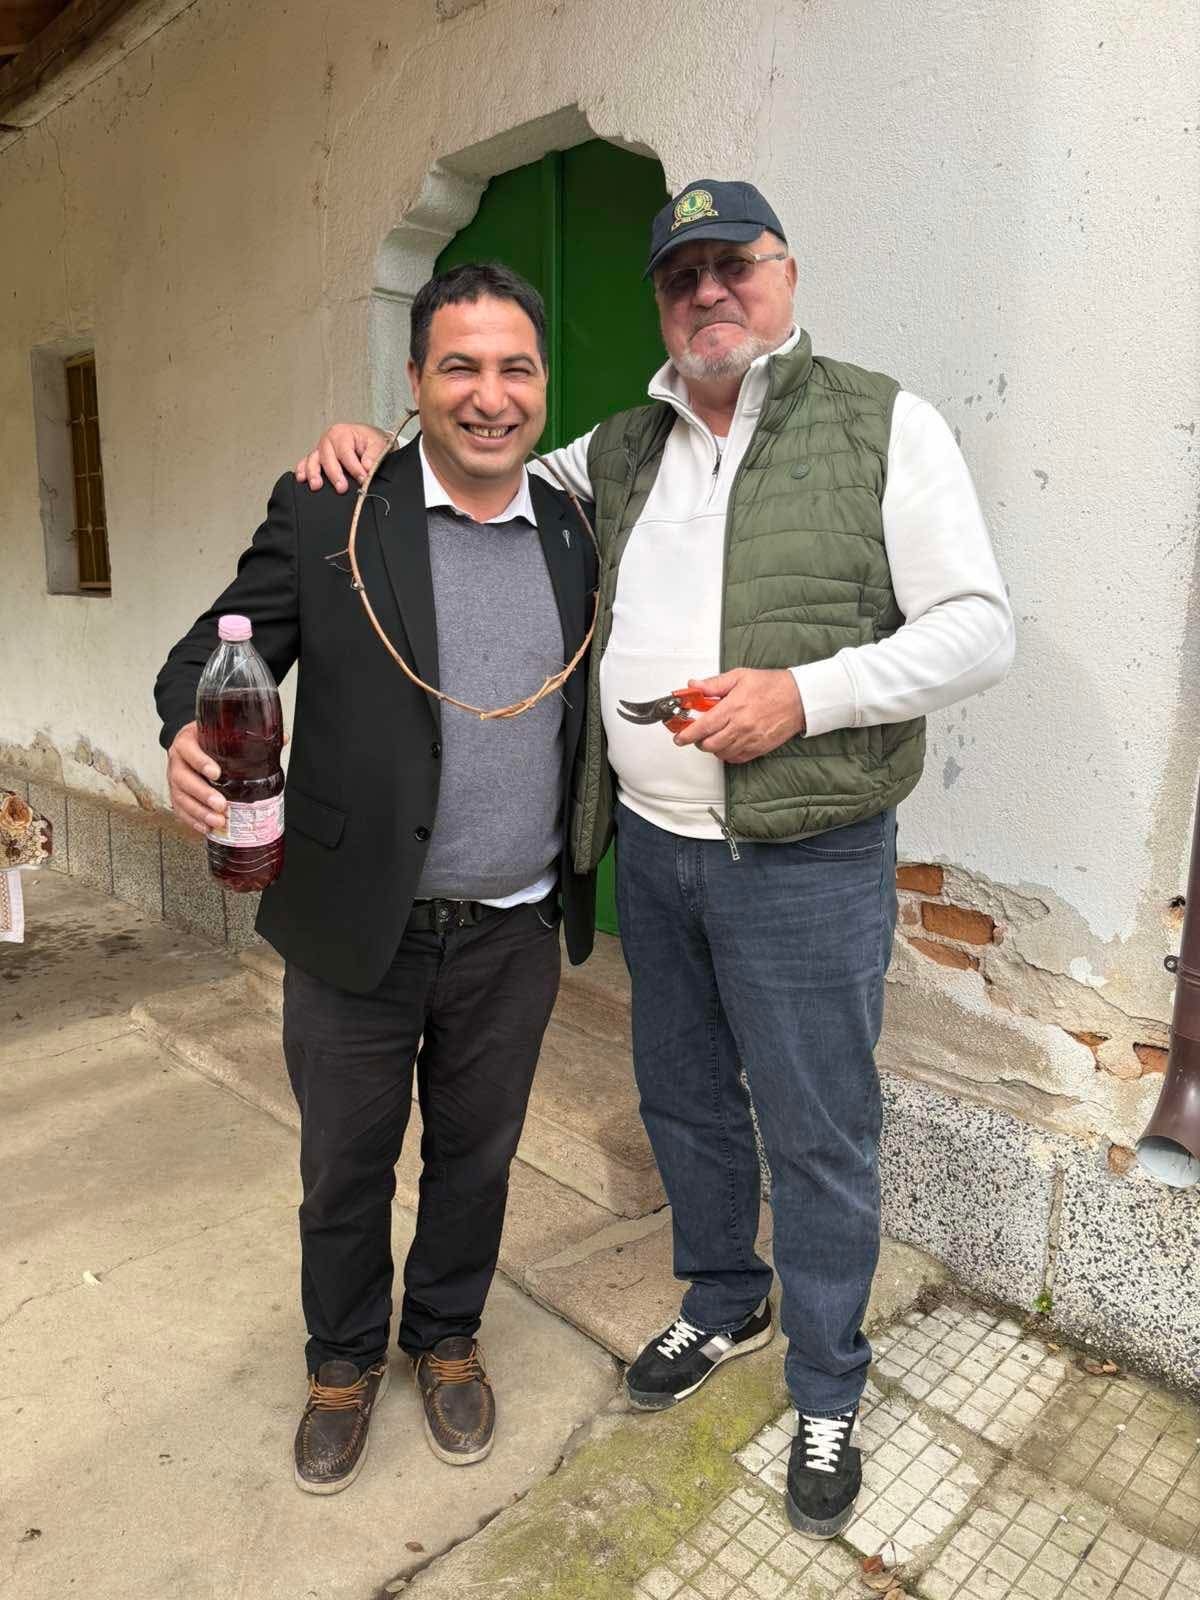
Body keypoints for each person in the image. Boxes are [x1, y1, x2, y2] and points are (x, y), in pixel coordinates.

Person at [297, 179, 1015, 1536]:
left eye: (736, 265)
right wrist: (371, 439)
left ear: (786, 275)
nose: (710, 294)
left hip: (806, 858)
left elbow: (979, 628)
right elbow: (483, 453)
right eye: (683, 277)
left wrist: (805, 696)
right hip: (658, 857)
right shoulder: (621, 447)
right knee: (684, 1105)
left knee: (816, 1133)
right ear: (662, 305)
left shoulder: (882, 424)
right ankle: (724, 1298)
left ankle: (828, 1383)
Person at [156, 263, 597, 1494]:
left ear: (544, 384)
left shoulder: (575, 525)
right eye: (460, 366)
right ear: (413, 380)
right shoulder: (335, 510)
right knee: (345, 1167)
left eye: (514, 368)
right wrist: (187, 731)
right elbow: (208, 653)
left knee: (477, 1158)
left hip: (513, 929)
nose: (490, 395)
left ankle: (446, 1338)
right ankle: (342, 1362)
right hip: (358, 923)